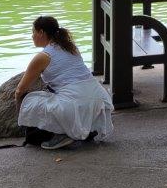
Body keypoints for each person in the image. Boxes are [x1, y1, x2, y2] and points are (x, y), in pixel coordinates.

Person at [15, 16, 113, 150]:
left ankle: (64, 133)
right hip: (99, 99)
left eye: (33, 32)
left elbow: (20, 89)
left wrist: (19, 107)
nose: (32, 36)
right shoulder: (70, 47)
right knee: (62, 97)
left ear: (41, 33)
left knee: (31, 101)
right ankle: (86, 128)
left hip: (74, 103)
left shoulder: (43, 57)